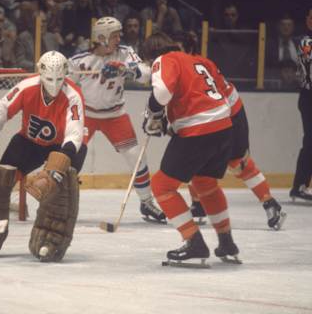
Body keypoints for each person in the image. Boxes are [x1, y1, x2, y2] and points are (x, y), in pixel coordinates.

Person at [0, 50, 88, 262]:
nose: (54, 84)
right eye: (50, 79)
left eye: (59, 79)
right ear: (40, 74)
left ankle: (50, 240)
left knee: (60, 190)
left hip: (63, 148)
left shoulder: (73, 95)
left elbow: (74, 134)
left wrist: (57, 167)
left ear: (66, 75)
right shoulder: (27, 86)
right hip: (28, 143)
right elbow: (1, 110)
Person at [142, 31, 240, 267]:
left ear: (151, 54)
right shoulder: (198, 60)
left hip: (198, 129)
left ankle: (194, 242)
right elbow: (221, 93)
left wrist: (154, 112)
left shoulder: (164, 60)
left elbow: (163, 93)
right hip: (224, 125)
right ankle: (226, 241)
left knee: (162, 186)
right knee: (205, 184)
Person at [172, 31, 287, 230]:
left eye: (177, 49)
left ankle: (270, 203)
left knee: (237, 163)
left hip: (228, 114)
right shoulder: (178, 65)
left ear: (189, 49)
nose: (172, 53)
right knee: (194, 157)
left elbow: (215, 98)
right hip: (210, 115)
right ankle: (198, 205)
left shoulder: (201, 64)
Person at [68, 16, 166, 223]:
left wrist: (127, 70)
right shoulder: (79, 61)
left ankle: (147, 202)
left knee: (137, 158)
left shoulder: (125, 52)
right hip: (86, 115)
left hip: (115, 115)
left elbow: (147, 74)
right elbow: (66, 89)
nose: (119, 38)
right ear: (101, 38)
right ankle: (63, 200)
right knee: (71, 157)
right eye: (115, 35)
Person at [290, 33, 312, 202]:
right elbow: (308, 60)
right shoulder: (306, 41)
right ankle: (299, 186)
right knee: (310, 141)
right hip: (309, 97)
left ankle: (300, 186)